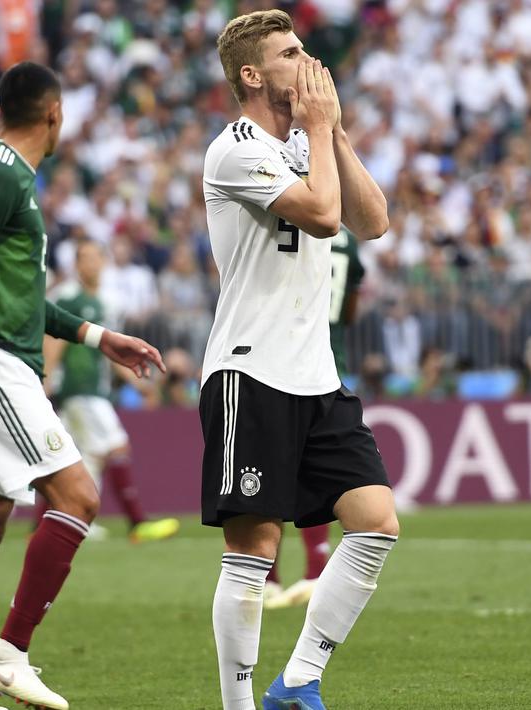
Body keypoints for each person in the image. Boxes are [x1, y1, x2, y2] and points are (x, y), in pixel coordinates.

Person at [0, 63, 164, 710]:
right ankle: (9, 656)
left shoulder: (8, 174)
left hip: (2, 353)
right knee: (77, 497)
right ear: (53, 113)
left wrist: (97, 337)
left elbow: (21, 299)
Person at [201, 11, 398, 710]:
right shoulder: (236, 148)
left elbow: (372, 221)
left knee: (375, 522)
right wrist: (318, 130)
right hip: (249, 372)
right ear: (253, 75)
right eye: (290, 53)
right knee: (253, 554)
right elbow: (320, 214)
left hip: (316, 373)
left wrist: (334, 130)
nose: (307, 61)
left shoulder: (306, 144)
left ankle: (300, 680)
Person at [40, 239, 180, 543]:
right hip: (77, 387)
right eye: (84, 258)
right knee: (116, 447)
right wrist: (46, 380)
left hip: (96, 387)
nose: (90, 264)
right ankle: (137, 522)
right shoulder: (69, 297)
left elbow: (107, 350)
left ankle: (67, 521)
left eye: (94, 257)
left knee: (83, 458)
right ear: (76, 264)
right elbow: (54, 341)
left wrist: (137, 384)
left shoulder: (105, 301)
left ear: (103, 262)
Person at [264, 227, 365, 610]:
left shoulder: (296, 219)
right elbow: (351, 305)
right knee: (317, 472)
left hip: (287, 359)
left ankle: (269, 579)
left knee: (270, 470)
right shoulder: (349, 239)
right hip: (332, 362)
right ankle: (315, 571)